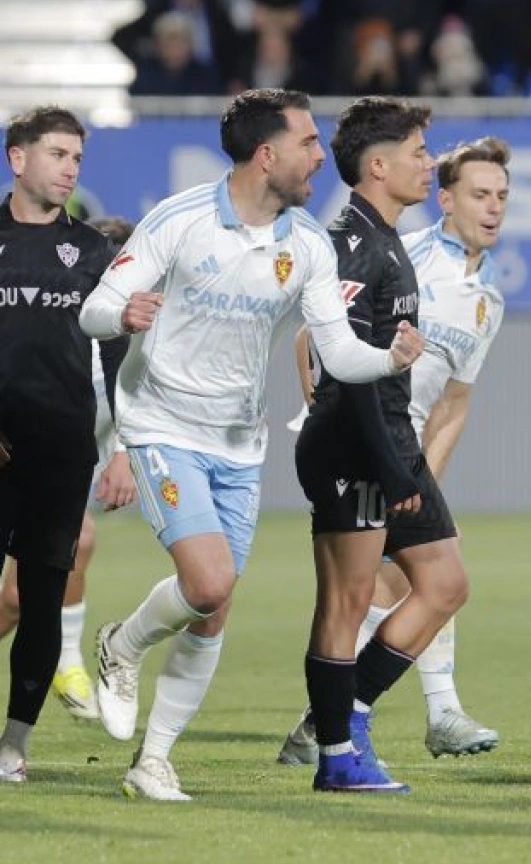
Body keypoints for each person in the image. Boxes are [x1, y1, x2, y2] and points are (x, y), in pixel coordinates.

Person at [79, 88, 424, 801]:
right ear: (267, 155)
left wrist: (388, 358)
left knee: (215, 605)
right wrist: (123, 313)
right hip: (163, 423)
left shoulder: (307, 244)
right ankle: (122, 644)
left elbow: (337, 351)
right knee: (208, 581)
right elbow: (94, 309)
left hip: (239, 441)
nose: (321, 156)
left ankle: (153, 760)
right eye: (308, 142)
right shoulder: (180, 219)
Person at [278, 135, 508, 766]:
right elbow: (310, 338)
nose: (494, 207)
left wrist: (423, 475)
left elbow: (454, 402)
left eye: (502, 196)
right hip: (362, 440)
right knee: (371, 592)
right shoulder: (406, 256)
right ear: (446, 200)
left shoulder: (490, 298)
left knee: (421, 579)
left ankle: (336, 721)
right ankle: (363, 722)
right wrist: (326, 409)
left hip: (401, 451)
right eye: (480, 194)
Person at [0, 107, 120, 783]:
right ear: (17, 158)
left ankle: (14, 744)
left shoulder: (94, 253)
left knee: (42, 598)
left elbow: (119, 360)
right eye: (56, 154)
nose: (70, 168)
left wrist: (124, 447)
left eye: (76, 157)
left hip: (60, 453)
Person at [0, 217, 138, 724]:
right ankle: (68, 663)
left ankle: (65, 666)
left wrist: (123, 453)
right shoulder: (52, 331)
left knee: (24, 594)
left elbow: (134, 397)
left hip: (56, 465)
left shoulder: (124, 340)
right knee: (21, 594)